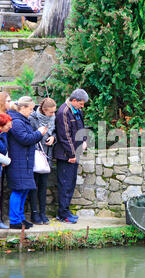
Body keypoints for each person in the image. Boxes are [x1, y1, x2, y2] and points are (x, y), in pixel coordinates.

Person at [6, 96, 47, 229]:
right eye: (30, 109)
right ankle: (14, 220)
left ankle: (21, 218)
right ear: (22, 108)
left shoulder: (22, 120)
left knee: (24, 190)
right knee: (18, 190)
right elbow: (24, 139)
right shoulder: (16, 122)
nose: (31, 112)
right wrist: (39, 133)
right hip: (18, 162)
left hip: (25, 161)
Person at [54, 89, 89, 224]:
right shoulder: (63, 112)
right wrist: (72, 154)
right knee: (65, 184)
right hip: (66, 156)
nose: (82, 106)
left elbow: (81, 127)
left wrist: (84, 140)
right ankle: (62, 214)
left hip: (75, 153)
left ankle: (66, 210)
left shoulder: (77, 111)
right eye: (81, 103)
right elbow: (64, 136)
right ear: (74, 100)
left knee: (71, 183)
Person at [28, 98, 56, 224]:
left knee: (43, 186)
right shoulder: (33, 118)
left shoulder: (53, 118)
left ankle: (43, 213)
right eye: (50, 112)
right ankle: (34, 214)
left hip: (47, 156)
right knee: (34, 186)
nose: (53, 114)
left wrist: (53, 138)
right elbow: (30, 136)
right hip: (35, 156)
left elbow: (55, 131)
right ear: (44, 110)